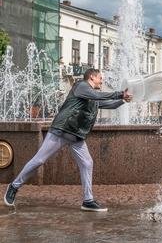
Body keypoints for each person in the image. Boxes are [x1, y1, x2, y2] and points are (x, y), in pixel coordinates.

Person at [3, 69, 132, 211]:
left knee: (87, 163)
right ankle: (14, 186)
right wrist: (120, 93)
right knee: (39, 160)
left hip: (76, 136)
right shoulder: (81, 86)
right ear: (92, 77)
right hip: (62, 130)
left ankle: (88, 200)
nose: (102, 81)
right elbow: (98, 96)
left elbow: (109, 104)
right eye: (100, 78)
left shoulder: (93, 98)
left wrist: (123, 100)